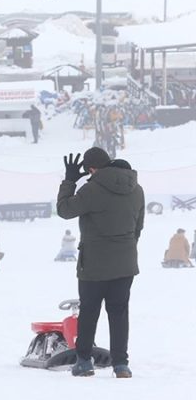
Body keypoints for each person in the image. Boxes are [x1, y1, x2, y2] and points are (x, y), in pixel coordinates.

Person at [57, 149, 144, 378]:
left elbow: (64, 210)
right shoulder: (137, 190)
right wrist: (124, 248)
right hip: (125, 264)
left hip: (94, 264)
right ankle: (121, 364)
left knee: (89, 312)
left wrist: (68, 181)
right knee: (119, 313)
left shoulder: (92, 189)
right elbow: (138, 228)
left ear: (91, 169)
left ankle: (84, 362)